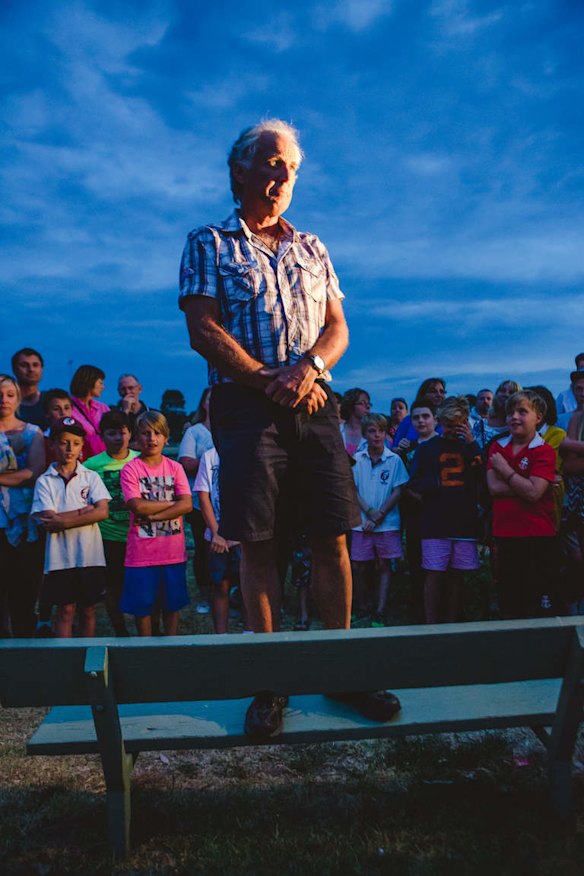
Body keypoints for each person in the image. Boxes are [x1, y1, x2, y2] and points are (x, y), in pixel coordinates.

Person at [179, 118, 400, 738]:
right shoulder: (209, 242)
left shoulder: (312, 247)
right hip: (246, 408)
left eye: (291, 167)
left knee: (333, 534)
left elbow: (337, 327)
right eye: (272, 162)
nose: (282, 175)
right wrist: (264, 378)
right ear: (240, 171)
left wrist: (308, 367)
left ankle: (342, 669)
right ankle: (270, 681)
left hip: (314, 403)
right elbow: (203, 329)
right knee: (259, 541)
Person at [31, 417, 111, 637]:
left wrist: (65, 519)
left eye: (75, 443)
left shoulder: (91, 477)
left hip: (89, 555)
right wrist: (84, 511)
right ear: (53, 444)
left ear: (81, 446)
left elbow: (103, 511)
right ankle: (63, 659)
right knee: (65, 610)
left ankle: (87, 657)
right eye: (64, 442)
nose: (69, 448)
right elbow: (50, 521)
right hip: (60, 557)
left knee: (88, 609)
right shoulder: (45, 480)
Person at [409, 397, 482, 624]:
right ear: (440, 421)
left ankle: (452, 621)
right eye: (449, 425)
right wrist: (431, 497)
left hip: (463, 521)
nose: (453, 430)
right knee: (434, 573)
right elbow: (412, 485)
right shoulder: (427, 449)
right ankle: (431, 623)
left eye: (458, 424)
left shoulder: (470, 448)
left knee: (457, 576)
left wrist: (472, 443)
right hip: (435, 523)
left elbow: (482, 478)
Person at [119, 411, 192, 636]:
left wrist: (155, 515)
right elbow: (137, 506)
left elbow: (187, 504)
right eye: (146, 433)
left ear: (166, 438)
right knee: (142, 609)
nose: (152, 438)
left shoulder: (174, 468)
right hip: (141, 555)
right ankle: (145, 646)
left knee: (171, 606)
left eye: (158, 433)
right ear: (136, 438)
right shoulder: (131, 469)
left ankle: (170, 647)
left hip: (172, 553)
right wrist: (171, 503)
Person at [487, 391, 558, 618]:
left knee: (536, 600)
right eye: (510, 413)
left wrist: (506, 471)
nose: (514, 417)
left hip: (537, 535)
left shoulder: (544, 450)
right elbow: (494, 489)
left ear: (538, 417)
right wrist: (528, 484)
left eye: (522, 412)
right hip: (505, 534)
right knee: (510, 600)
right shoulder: (497, 447)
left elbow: (533, 493)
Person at [84, 411, 139, 636]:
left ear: (130, 433)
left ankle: (147, 628)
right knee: (113, 586)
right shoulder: (91, 465)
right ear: (102, 436)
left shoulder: (140, 458)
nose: (118, 438)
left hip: (138, 536)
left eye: (122, 432)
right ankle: (120, 630)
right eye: (111, 433)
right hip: (107, 537)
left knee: (139, 586)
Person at [350, 413, 408, 626]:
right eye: (372, 431)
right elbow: (352, 489)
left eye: (381, 431)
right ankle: (361, 605)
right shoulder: (357, 459)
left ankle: (380, 609)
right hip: (361, 522)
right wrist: (368, 511)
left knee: (383, 565)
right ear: (365, 434)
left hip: (387, 523)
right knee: (359, 566)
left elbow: (398, 490)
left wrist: (379, 515)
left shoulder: (394, 459)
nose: (377, 435)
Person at [0, 374, 46, 636]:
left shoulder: (31, 432)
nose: (3, 399)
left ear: (17, 398)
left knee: (23, 590)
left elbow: (34, 471)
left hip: (23, 522)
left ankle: (25, 650)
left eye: (9, 394)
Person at [195, 446, 241, 634]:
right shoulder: (210, 456)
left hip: (244, 534)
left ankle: (250, 632)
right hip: (217, 534)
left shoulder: (248, 449)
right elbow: (203, 495)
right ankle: (221, 636)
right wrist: (216, 533)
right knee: (220, 584)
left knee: (248, 585)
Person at [178, 387, 214, 614]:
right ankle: (204, 595)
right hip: (199, 501)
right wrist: (212, 459)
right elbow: (186, 462)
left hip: (229, 500)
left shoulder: (233, 428)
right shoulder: (195, 432)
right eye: (212, 399)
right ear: (204, 403)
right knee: (203, 549)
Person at [392, 378, 446, 451]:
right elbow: (393, 449)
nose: (438, 395)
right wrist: (400, 447)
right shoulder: (407, 421)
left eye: (442, 391)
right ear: (423, 394)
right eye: (433, 391)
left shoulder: (447, 421)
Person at [70, 365, 110, 457]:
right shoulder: (69, 408)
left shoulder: (103, 408)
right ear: (89, 381)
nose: (103, 387)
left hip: (104, 458)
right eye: (100, 383)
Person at [11, 347, 47, 428]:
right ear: (14, 369)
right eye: (24, 365)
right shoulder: (5, 403)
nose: (31, 369)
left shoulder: (50, 401)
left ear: (42, 369)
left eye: (35, 365)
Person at [116, 374, 149, 443]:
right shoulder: (113, 415)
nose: (127, 392)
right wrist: (125, 411)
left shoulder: (152, 413)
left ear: (139, 389)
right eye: (123, 389)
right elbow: (116, 437)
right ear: (119, 392)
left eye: (131, 388)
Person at [339, 388, 370, 457]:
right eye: (362, 403)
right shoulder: (337, 431)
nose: (368, 407)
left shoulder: (372, 432)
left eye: (368, 404)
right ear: (350, 405)